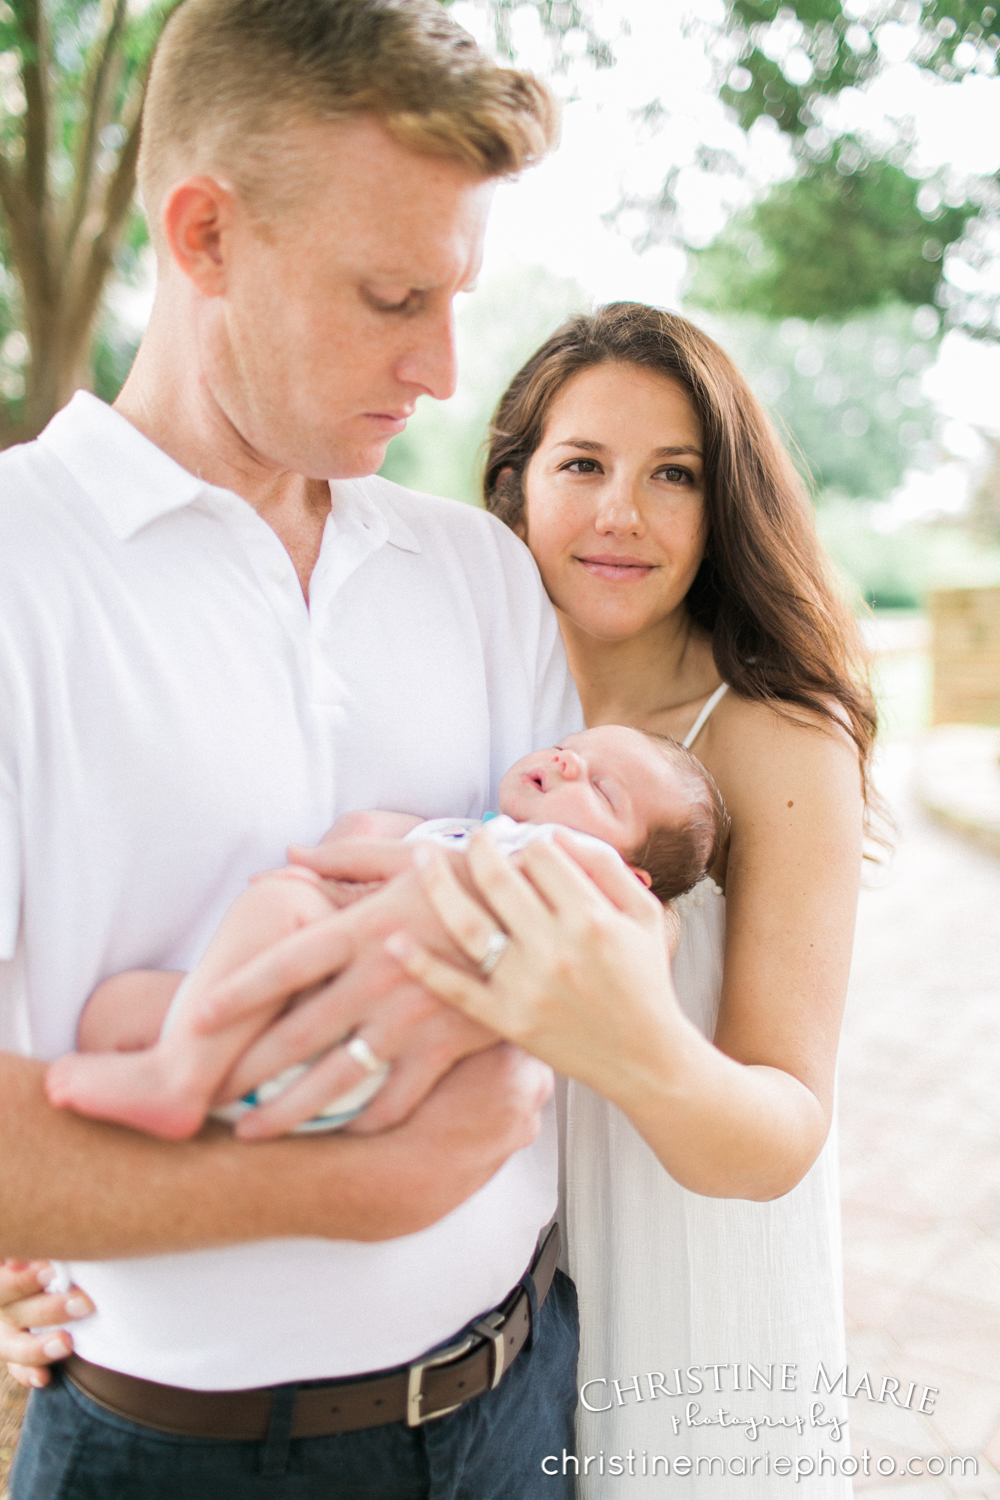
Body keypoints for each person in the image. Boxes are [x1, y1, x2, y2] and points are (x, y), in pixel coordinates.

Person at [0, 1, 592, 1495]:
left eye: (457, 294)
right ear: (203, 236)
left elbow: (580, 955)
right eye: (393, 295)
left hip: (523, 1404)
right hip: (182, 1459)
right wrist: (370, 1185)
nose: (450, 369)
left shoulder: (479, 571)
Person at [202, 305, 871, 1496]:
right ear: (512, 486)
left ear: (725, 509)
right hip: (480, 1311)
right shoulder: (465, 698)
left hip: (688, 1272)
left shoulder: (773, 740)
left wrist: (624, 1039)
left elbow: (784, 1132)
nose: (622, 511)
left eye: (675, 474)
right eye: (582, 465)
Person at [45, 725, 728, 1141]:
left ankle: (177, 1079)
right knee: (117, 1008)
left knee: (285, 898)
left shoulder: (558, 875)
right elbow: (369, 836)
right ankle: (172, 1083)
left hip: (360, 1046)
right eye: (567, 748)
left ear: (626, 877)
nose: (569, 763)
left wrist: (341, 876)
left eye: (604, 790)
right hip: (296, 1031)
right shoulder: (477, 831)